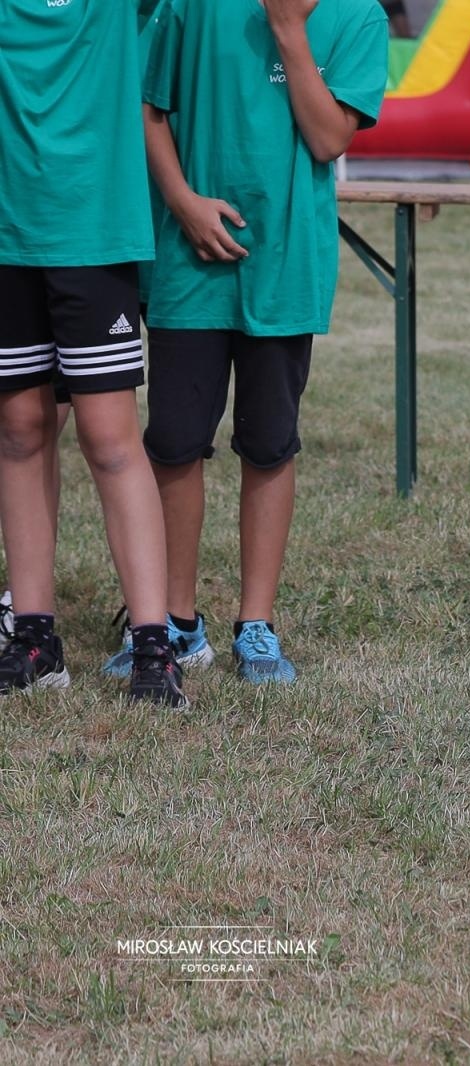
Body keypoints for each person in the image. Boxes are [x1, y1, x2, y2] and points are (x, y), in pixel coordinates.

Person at [121, 0, 388, 684]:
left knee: (270, 442)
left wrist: (289, 30)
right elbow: (148, 110)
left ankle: (256, 625)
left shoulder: (358, 17)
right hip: (189, 264)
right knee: (175, 441)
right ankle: (175, 624)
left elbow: (329, 140)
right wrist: (182, 200)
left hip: (285, 266)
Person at [0, 0, 186, 706]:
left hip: (94, 232)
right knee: (19, 431)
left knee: (110, 439)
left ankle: (153, 644)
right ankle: (36, 638)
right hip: (10, 232)